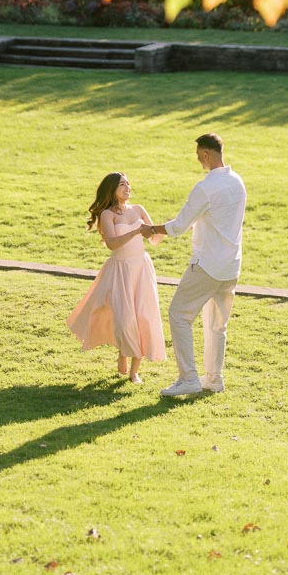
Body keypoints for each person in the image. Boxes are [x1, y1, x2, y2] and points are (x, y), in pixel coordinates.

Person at [141, 133, 246, 397]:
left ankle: (188, 378)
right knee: (217, 325)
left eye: (199, 156)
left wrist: (150, 229)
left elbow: (178, 226)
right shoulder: (238, 182)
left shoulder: (206, 188)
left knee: (179, 314)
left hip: (207, 265)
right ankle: (213, 379)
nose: (198, 161)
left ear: (208, 154)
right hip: (231, 266)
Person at [67, 171, 166, 384]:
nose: (127, 187)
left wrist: (171, 226)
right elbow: (112, 243)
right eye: (122, 184)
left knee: (143, 317)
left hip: (141, 268)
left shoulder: (138, 209)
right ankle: (123, 350)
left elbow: (156, 239)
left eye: (129, 184)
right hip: (120, 270)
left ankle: (134, 372)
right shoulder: (108, 214)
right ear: (112, 189)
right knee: (125, 319)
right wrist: (136, 232)